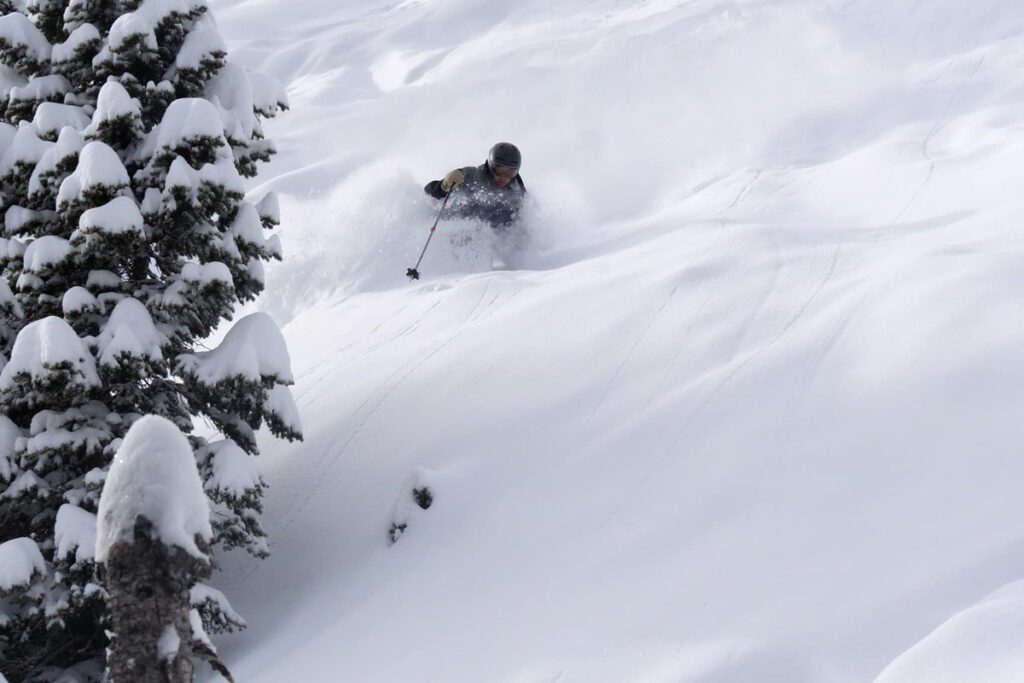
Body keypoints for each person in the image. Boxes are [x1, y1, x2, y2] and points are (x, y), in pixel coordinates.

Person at [424, 142, 527, 229]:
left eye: (511, 172)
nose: (504, 178)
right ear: (490, 166)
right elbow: (429, 193)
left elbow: (522, 223)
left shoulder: (517, 190)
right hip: (460, 228)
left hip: (493, 240)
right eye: (500, 170)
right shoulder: (471, 177)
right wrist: (443, 186)